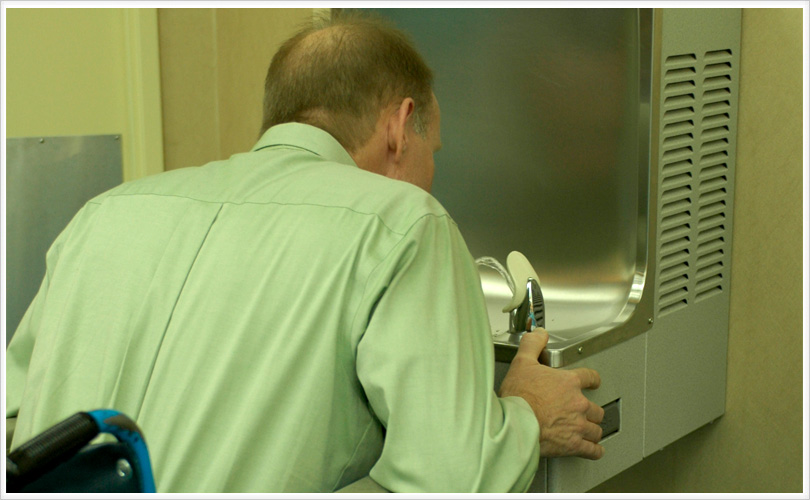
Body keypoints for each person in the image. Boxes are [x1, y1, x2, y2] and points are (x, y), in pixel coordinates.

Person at [5, 12, 604, 493]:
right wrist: (523, 416)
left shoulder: (105, 213)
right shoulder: (404, 224)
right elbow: (450, 478)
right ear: (401, 124)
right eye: (435, 151)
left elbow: (15, 426)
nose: (432, 175)